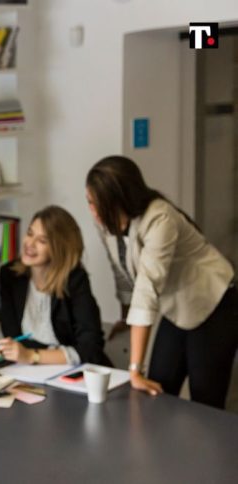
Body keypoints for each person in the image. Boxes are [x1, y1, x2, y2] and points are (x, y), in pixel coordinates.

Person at [86, 155, 237, 408]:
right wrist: (126, 318)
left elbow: (146, 289)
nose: (92, 210)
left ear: (119, 199)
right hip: (177, 307)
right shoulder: (107, 222)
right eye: (89, 202)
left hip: (215, 303)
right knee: (157, 386)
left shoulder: (160, 219)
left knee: (206, 402)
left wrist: (134, 369)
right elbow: (122, 271)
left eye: (96, 203)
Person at [0, 206, 112, 366]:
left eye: (42, 241)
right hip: (30, 373)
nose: (30, 244)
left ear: (59, 249)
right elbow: (12, 336)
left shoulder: (75, 281)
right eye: (30, 233)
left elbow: (91, 348)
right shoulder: (10, 276)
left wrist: (31, 355)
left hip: (76, 374)